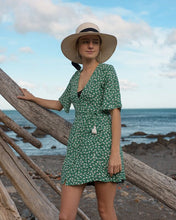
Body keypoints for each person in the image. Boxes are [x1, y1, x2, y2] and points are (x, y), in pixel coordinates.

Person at [18, 22, 126, 220]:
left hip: (103, 146)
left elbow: (115, 112)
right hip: (77, 147)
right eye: (85, 42)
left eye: (95, 42)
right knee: (65, 215)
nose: (91, 45)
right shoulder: (75, 77)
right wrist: (33, 98)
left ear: (100, 47)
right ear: (78, 47)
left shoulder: (107, 72)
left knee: (105, 211)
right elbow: (60, 104)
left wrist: (115, 154)